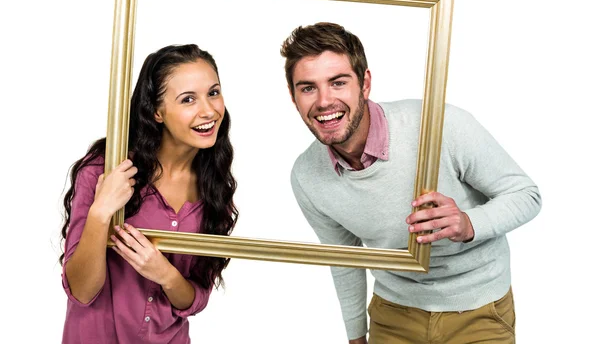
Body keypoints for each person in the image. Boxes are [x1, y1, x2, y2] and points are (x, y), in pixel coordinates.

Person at [280, 22, 541, 344]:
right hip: (393, 315)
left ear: (364, 84)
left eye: (338, 83)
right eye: (308, 88)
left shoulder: (438, 124)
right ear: (293, 98)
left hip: (479, 309)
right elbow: (344, 259)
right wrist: (355, 335)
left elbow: (526, 194)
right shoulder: (306, 176)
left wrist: (468, 223)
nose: (323, 101)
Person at [59, 44, 238, 344]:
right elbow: (81, 290)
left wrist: (165, 274)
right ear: (157, 111)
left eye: (214, 92)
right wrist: (101, 212)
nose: (209, 111)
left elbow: (195, 298)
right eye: (188, 99)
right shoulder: (105, 170)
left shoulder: (214, 188)